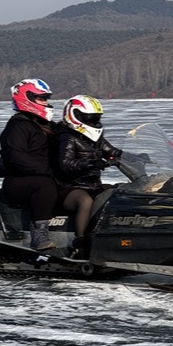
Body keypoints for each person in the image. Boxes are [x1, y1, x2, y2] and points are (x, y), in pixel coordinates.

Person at [56, 95, 122, 258]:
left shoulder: (95, 137)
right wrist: (89, 163)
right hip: (69, 188)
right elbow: (65, 164)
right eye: (89, 119)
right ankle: (80, 243)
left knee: (119, 192)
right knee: (85, 201)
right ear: (76, 116)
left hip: (92, 184)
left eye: (95, 119)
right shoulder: (67, 137)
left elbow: (111, 151)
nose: (93, 123)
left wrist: (131, 156)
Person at [0, 78, 60, 251]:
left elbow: (65, 139)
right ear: (28, 99)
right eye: (41, 99)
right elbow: (16, 158)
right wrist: (48, 170)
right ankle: (39, 235)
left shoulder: (45, 125)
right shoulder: (17, 127)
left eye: (46, 99)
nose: (46, 103)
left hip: (40, 176)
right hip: (18, 182)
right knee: (45, 185)